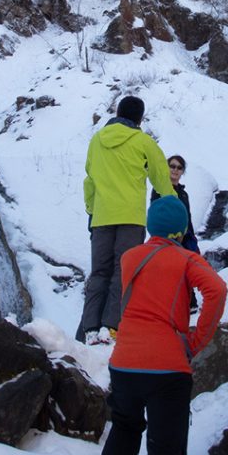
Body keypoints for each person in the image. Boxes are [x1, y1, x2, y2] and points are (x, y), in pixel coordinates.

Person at [99, 196, 227, 455]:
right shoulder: (187, 258)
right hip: (168, 367)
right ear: (182, 228)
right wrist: (196, 340)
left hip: (124, 360)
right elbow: (216, 290)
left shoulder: (130, 258)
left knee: (124, 426)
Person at [79, 95, 175, 345]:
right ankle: (111, 327)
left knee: (99, 271)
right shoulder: (143, 141)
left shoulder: (96, 140)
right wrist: (174, 206)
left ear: (117, 112)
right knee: (124, 270)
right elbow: (161, 179)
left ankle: (90, 328)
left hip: (101, 217)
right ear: (139, 118)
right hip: (131, 217)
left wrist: (91, 210)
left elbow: (89, 180)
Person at [151, 155, 199, 254]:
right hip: (165, 239)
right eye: (172, 166)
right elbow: (155, 215)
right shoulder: (159, 189)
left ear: (182, 171)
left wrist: (192, 239)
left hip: (186, 239)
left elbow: (188, 218)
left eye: (179, 167)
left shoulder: (184, 194)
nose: (175, 170)